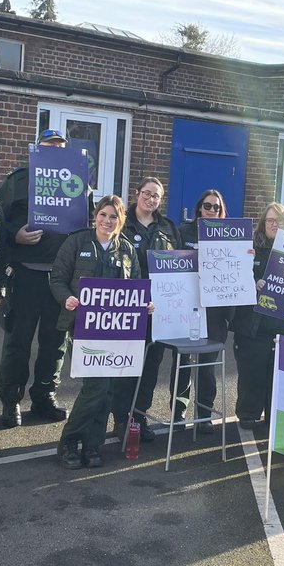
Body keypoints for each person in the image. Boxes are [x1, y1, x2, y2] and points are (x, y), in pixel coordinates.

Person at [50, 195, 148, 469]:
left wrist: (144, 305)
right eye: (103, 215)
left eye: (113, 217)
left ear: (121, 221)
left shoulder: (126, 250)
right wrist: (66, 298)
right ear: (95, 216)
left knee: (107, 390)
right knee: (96, 387)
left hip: (116, 332)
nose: (107, 221)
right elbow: (57, 278)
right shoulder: (77, 242)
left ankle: (93, 445)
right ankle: (68, 441)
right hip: (81, 326)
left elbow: (136, 286)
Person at [0, 129, 71, 429]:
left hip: (60, 279)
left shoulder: (77, 183)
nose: (55, 150)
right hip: (25, 275)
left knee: (55, 342)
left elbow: (84, 225)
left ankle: (44, 396)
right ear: (38, 150)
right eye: (49, 146)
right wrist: (16, 234)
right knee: (18, 341)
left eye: (60, 147)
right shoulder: (19, 180)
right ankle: (10, 400)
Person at [113, 176, 182, 441]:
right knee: (126, 366)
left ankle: (139, 417)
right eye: (147, 193)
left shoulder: (167, 228)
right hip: (129, 307)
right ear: (137, 194)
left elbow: (181, 265)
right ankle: (122, 419)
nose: (151, 199)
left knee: (151, 367)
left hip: (160, 309)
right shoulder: (122, 224)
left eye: (156, 196)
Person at [232, 202, 284, 428]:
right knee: (252, 372)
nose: (274, 224)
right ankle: (248, 413)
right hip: (254, 324)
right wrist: (251, 280)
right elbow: (233, 276)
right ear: (263, 223)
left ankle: (274, 417)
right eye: (270, 220)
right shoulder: (249, 246)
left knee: (278, 376)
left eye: (279, 220)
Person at [175, 189, 229, 435]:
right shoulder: (183, 231)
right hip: (185, 307)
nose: (211, 210)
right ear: (199, 208)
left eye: (216, 207)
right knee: (182, 362)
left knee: (207, 368)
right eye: (207, 206)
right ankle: (178, 413)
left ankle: (204, 415)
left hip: (215, 312)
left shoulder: (228, 236)